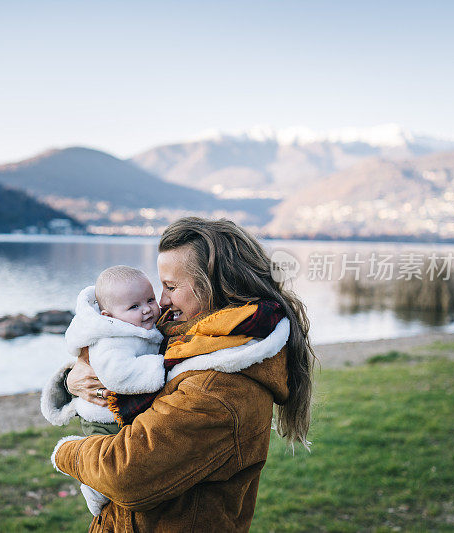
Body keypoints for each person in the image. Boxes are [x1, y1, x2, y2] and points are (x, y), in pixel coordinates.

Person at [42, 217, 314, 532]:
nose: (162, 301)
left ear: (216, 285)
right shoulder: (189, 339)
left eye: (171, 286)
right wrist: (71, 379)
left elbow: (125, 473)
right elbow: (116, 356)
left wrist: (65, 451)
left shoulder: (219, 387)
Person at [42, 265, 165, 515]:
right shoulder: (114, 340)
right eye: (134, 306)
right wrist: (162, 366)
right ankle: (93, 490)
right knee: (105, 463)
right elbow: (119, 376)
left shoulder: (134, 327)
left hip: (116, 414)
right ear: (109, 315)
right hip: (103, 418)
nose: (147, 309)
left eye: (150, 299)